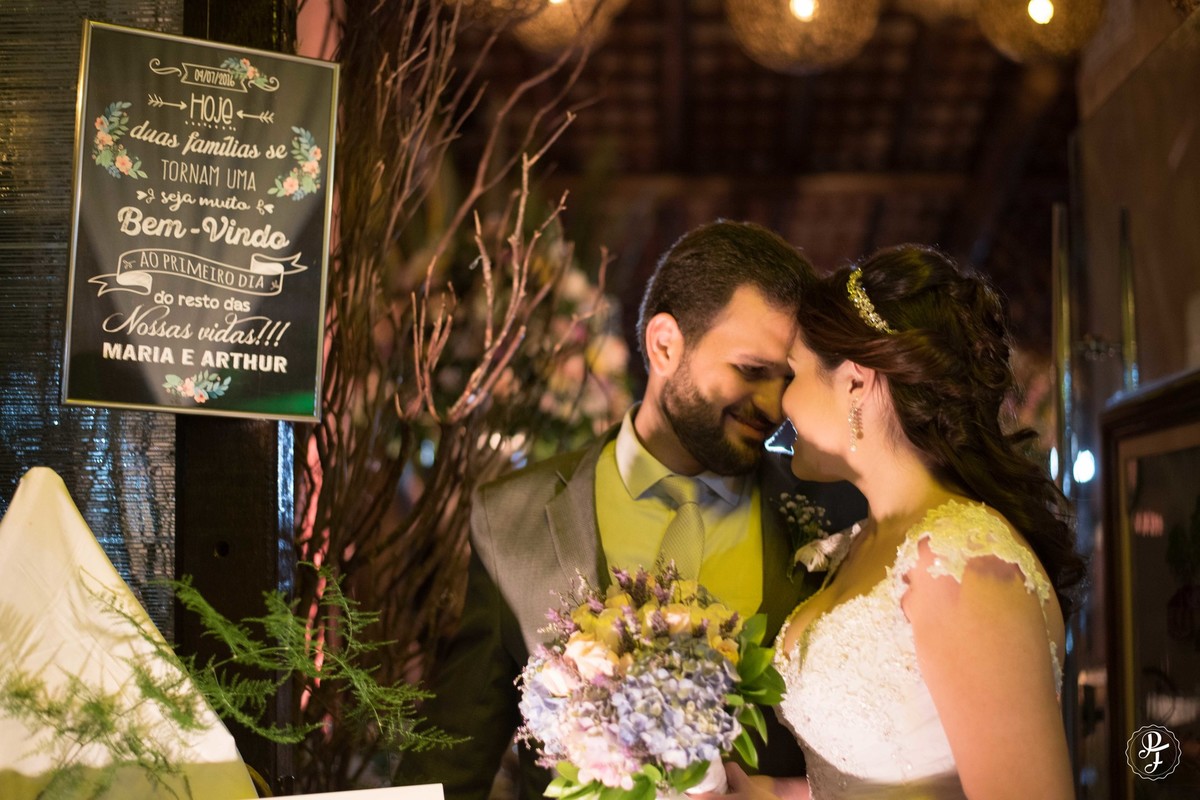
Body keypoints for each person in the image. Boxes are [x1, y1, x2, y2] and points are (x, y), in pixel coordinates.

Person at [395, 220, 866, 800]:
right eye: (750, 371)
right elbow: (452, 755)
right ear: (665, 344)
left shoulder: (836, 514)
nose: (773, 405)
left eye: (786, 379)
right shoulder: (510, 518)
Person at [717, 244, 1085, 799]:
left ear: (856, 383)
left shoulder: (961, 563)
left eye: (792, 373)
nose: (778, 402)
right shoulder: (864, 542)